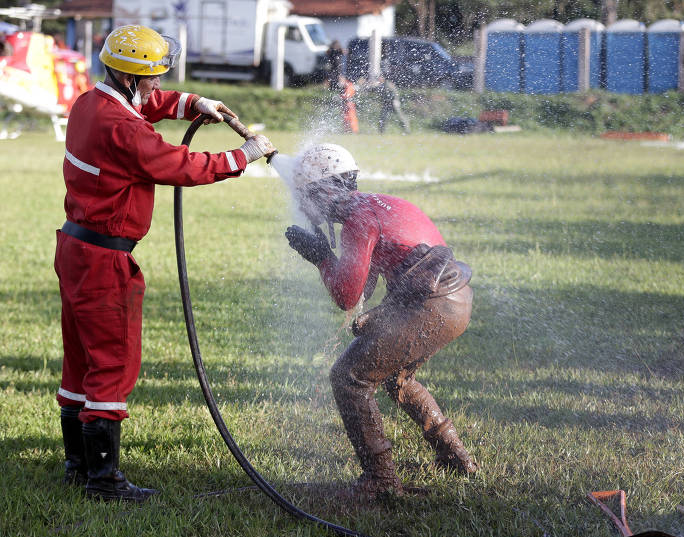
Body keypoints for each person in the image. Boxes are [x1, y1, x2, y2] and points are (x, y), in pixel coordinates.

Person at [54, 24, 275, 502]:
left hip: (75, 250)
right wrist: (244, 155)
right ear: (129, 77)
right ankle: (104, 482)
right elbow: (183, 166)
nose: (157, 85)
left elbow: (144, 104)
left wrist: (191, 102)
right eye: (151, 78)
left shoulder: (92, 103)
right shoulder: (124, 130)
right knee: (113, 363)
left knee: (80, 361)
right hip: (103, 261)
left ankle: (77, 466)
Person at [284, 144, 476, 497]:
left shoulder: (358, 219)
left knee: (349, 378)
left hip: (432, 303)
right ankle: (455, 455)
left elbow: (347, 296)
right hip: (454, 299)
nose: (303, 206)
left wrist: (321, 257)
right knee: (395, 377)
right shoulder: (374, 204)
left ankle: (381, 481)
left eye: (306, 196)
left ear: (324, 191)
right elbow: (364, 287)